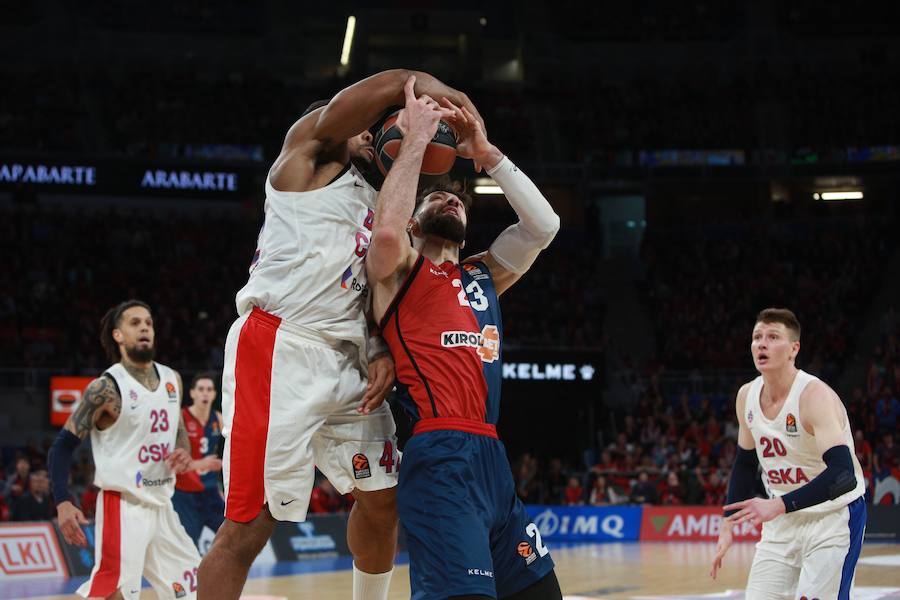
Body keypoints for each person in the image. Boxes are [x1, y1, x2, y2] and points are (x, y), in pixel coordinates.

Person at [199, 69, 482, 600]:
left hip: (348, 365)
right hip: (281, 348)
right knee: (250, 524)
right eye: (361, 126)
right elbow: (389, 85)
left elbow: (368, 292)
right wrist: (453, 98)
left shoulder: (385, 203)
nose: (370, 132)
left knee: (382, 501)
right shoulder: (305, 163)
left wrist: (379, 349)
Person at [367, 77, 562, 600]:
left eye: (457, 200)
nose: (451, 200)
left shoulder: (482, 276)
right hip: (439, 458)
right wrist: (414, 145)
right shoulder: (398, 271)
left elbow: (544, 226)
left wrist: (486, 153)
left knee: (542, 594)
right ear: (413, 220)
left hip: (492, 456)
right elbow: (385, 236)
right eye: (436, 197)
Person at [47, 300, 202, 599]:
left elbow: (178, 430)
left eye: (149, 322)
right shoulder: (105, 388)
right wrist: (63, 502)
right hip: (124, 506)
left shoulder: (173, 379)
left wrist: (184, 451)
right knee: (108, 593)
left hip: (163, 505)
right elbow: (61, 447)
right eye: (135, 322)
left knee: (196, 590)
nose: (145, 327)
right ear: (118, 335)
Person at [710, 308, 866, 600]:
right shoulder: (746, 396)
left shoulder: (813, 395)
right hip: (782, 521)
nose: (762, 344)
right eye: (757, 337)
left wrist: (779, 504)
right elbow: (744, 463)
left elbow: (844, 474)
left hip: (832, 517)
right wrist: (727, 522)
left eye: (772, 337)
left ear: (794, 348)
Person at [172, 373, 225, 549]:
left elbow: (223, 457)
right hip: (184, 494)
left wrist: (223, 488)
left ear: (215, 394)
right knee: (188, 548)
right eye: (201, 389)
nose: (205, 393)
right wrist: (200, 464)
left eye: (209, 389)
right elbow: (171, 460)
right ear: (192, 393)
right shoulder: (180, 417)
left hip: (210, 493)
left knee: (230, 539)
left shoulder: (219, 419)